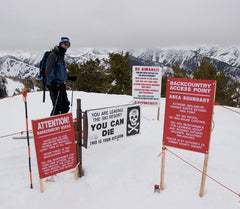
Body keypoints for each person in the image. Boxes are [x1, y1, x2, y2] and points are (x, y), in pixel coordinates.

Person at [45, 37, 77, 116]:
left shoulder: (61, 55)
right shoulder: (54, 55)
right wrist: (53, 83)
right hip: (54, 86)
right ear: (61, 44)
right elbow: (49, 71)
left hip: (61, 85)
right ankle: (53, 126)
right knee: (57, 107)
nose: (67, 46)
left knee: (65, 106)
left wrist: (68, 77)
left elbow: (60, 71)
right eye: (65, 44)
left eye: (68, 45)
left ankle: (62, 124)